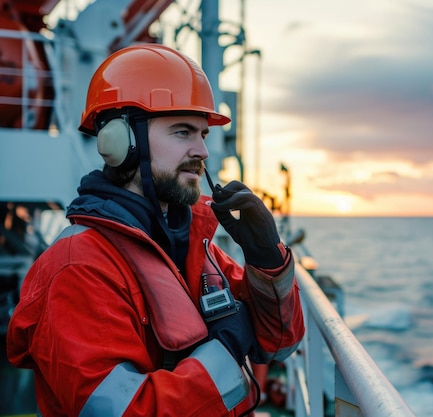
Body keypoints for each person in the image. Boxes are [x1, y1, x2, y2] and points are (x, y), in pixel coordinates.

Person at [6, 43, 305, 416]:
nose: (202, 151)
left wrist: (266, 259)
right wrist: (226, 351)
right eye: (182, 132)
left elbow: (278, 343)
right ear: (119, 141)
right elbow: (125, 411)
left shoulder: (195, 244)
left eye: (203, 135)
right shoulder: (77, 269)